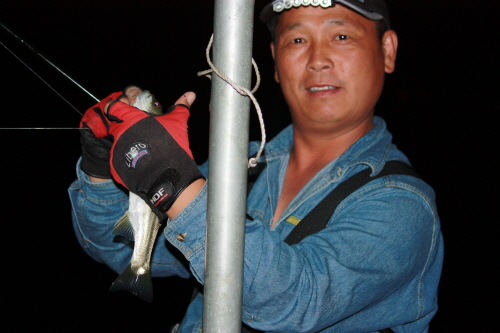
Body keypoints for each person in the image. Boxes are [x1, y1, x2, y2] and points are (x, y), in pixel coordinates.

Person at [69, 0, 443, 332]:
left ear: (387, 50)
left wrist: (171, 181)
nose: (317, 60)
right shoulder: (239, 167)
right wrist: (100, 165)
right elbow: (118, 246)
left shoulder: (403, 204)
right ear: (275, 61)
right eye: (296, 40)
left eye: (341, 36)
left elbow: (298, 299)